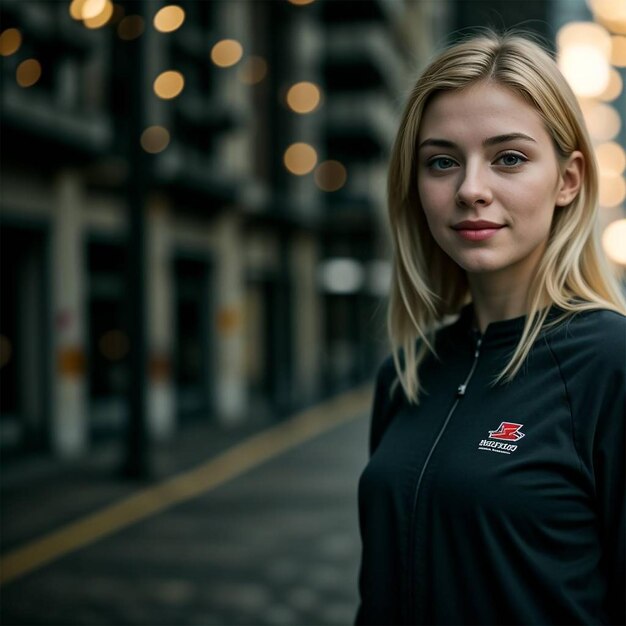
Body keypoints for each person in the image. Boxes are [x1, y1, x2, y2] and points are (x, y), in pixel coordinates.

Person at [355, 31, 626, 626]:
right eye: (442, 162)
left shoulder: (612, 364)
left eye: (509, 157)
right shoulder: (406, 373)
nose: (471, 190)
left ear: (568, 179)